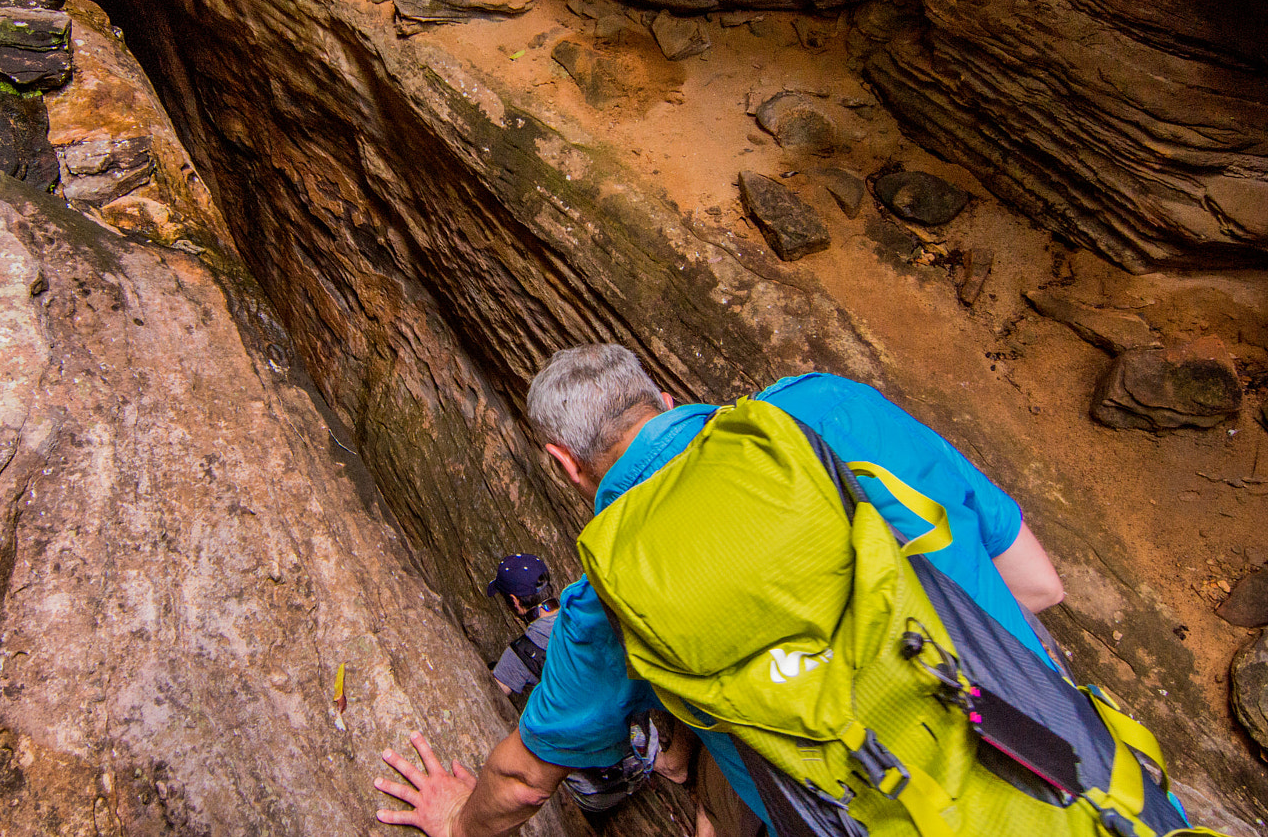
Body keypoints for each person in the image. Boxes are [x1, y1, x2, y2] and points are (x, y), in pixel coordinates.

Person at [375, 344, 1066, 837]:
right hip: (1060, 756)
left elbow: (527, 778)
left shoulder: (613, 593)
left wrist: (456, 822)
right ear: (666, 402)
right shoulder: (828, 404)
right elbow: (1039, 585)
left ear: (564, 463)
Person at [484, 553, 661, 816]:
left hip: (595, 793)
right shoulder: (586, 614)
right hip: (646, 756)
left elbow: (491, 696)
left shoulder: (524, 651)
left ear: (514, 602)